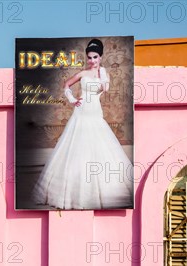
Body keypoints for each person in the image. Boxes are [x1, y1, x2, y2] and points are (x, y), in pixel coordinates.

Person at [31, 38, 133, 209]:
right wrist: (72, 99)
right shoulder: (82, 74)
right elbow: (66, 85)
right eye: (90, 57)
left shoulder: (104, 73)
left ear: (101, 57)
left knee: (99, 147)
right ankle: (69, 193)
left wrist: (101, 72)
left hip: (95, 113)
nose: (92, 60)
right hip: (81, 112)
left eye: (95, 57)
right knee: (76, 148)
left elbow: (106, 89)